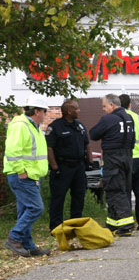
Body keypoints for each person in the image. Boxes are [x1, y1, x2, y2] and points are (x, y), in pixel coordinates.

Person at [3, 97, 51, 257]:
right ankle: (14, 237)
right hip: (22, 175)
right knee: (35, 207)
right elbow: (12, 150)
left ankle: (28, 246)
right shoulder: (21, 125)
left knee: (25, 210)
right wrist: (20, 171)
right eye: (44, 111)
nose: (46, 114)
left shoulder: (32, 126)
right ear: (37, 111)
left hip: (30, 175)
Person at [89, 94, 135, 236]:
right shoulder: (129, 118)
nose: (104, 109)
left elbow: (94, 134)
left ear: (112, 105)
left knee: (115, 190)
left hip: (113, 158)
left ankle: (126, 225)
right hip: (127, 157)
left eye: (104, 106)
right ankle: (113, 223)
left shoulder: (109, 119)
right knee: (121, 190)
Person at [46, 99, 91, 231]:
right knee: (58, 197)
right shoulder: (55, 127)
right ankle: (56, 227)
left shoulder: (80, 126)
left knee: (79, 196)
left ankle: (75, 224)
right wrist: (55, 167)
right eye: (76, 109)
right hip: (62, 167)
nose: (79, 111)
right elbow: (49, 149)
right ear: (69, 111)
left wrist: (90, 162)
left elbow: (86, 144)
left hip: (79, 167)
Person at [119, 94, 139, 231]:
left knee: (125, 192)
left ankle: (127, 224)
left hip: (124, 159)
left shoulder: (117, 118)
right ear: (130, 104)